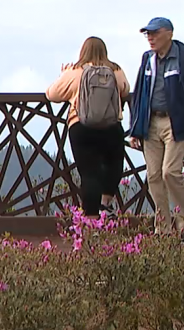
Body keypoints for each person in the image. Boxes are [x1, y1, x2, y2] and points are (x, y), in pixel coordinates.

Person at [128, 17, 184, 242]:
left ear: (169, 34)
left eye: (154, 33)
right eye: (148, 34)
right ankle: (163, 229)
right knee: (154, 175)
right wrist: (135, 128)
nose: (150, 38)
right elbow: (138, 94)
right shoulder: (148, 59)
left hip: (175, 123)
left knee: (170, 172)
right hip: (150, 122)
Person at [46, 36, 131, 217]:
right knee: (113, 165)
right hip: (111, 126)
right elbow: (126, 89)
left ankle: (91, 219)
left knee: (89, 173)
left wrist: (63, 75)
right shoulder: (115, 70)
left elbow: (51, 94)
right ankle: (106, 206)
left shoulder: (75, 72)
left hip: (81, 127)